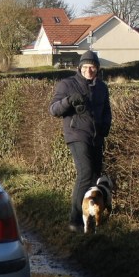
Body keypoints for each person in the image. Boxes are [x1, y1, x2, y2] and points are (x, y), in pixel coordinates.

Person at [49, 49, 112, 232]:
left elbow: (106, 110)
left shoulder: (102, 87)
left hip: (96, 136)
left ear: (97, 69)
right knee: (85, 173)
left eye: (92, 67)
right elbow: (53, 110)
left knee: (94, 176)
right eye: (85, 67)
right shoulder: (67, 84)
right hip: (76, 134)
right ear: (80, 67)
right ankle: (74, 220)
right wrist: (69, 101)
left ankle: (90, 219)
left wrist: (106, 125)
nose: (89, 71)